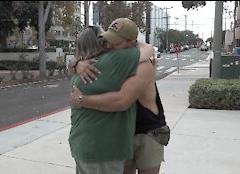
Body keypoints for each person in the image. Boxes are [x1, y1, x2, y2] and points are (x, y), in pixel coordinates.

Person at [70, 20, 168, 174]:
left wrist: (81, 100)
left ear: (131, 43)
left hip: (147, 131)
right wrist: (77, 64)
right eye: (107, 40)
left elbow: (122, 100)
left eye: (115, 42)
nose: (108, 45)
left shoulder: (143, 63)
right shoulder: (112, 61)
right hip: (122, 132)